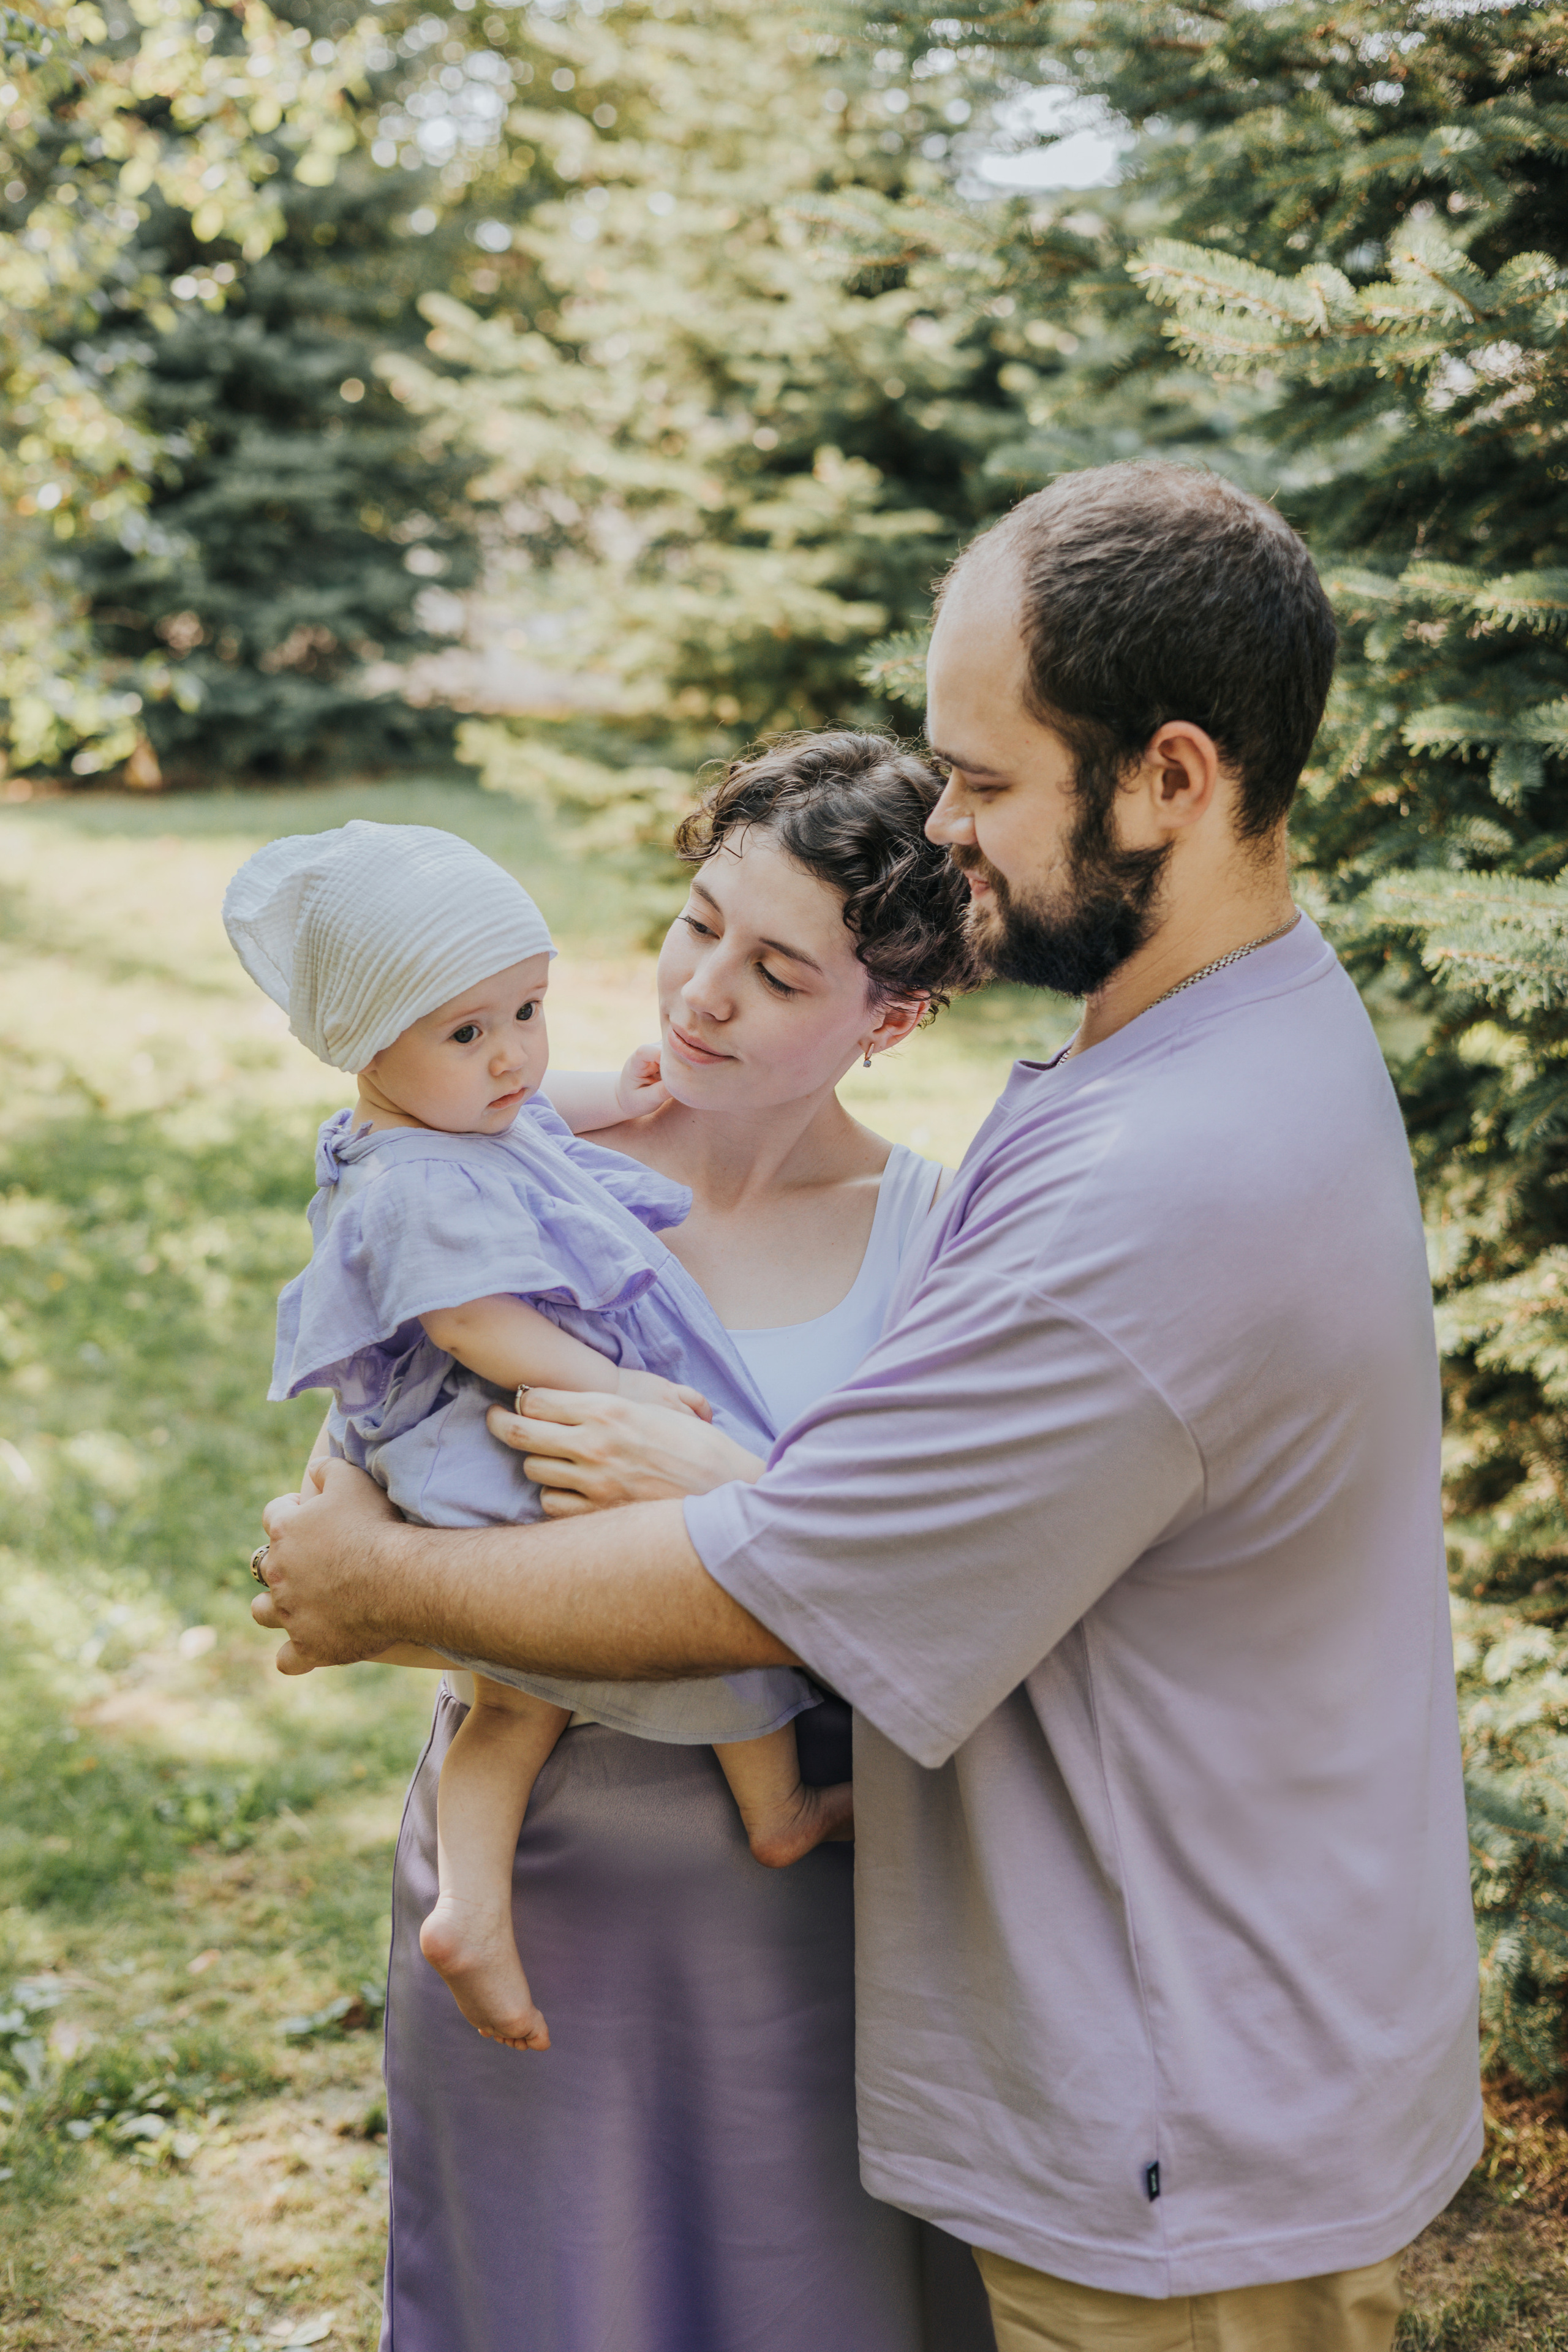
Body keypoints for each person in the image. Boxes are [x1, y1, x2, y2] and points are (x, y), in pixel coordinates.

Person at [255, 463, 1484, 2352]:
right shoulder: (1190, 1059)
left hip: (1183, 2130)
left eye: (986, 784)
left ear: (1172, 778)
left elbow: (788, 1585)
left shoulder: (1168, 1174)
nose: (952, 836)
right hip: (1173, 2073)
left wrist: (376, 1589)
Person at [225, 821, 850, 2058]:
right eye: (471, 1031)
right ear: (368, 1045)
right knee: (626, 1633)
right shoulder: (410, 1183)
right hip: (493, 1429)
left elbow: (525, 1110)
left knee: (510, 1703)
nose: (515, 1055)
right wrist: (603, 1386)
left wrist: (606, 1098)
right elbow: (466, 1318)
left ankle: (483, 1900)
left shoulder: (453, 1112)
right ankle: (757, 1812)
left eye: (530, 1009)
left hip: (495, 1422)